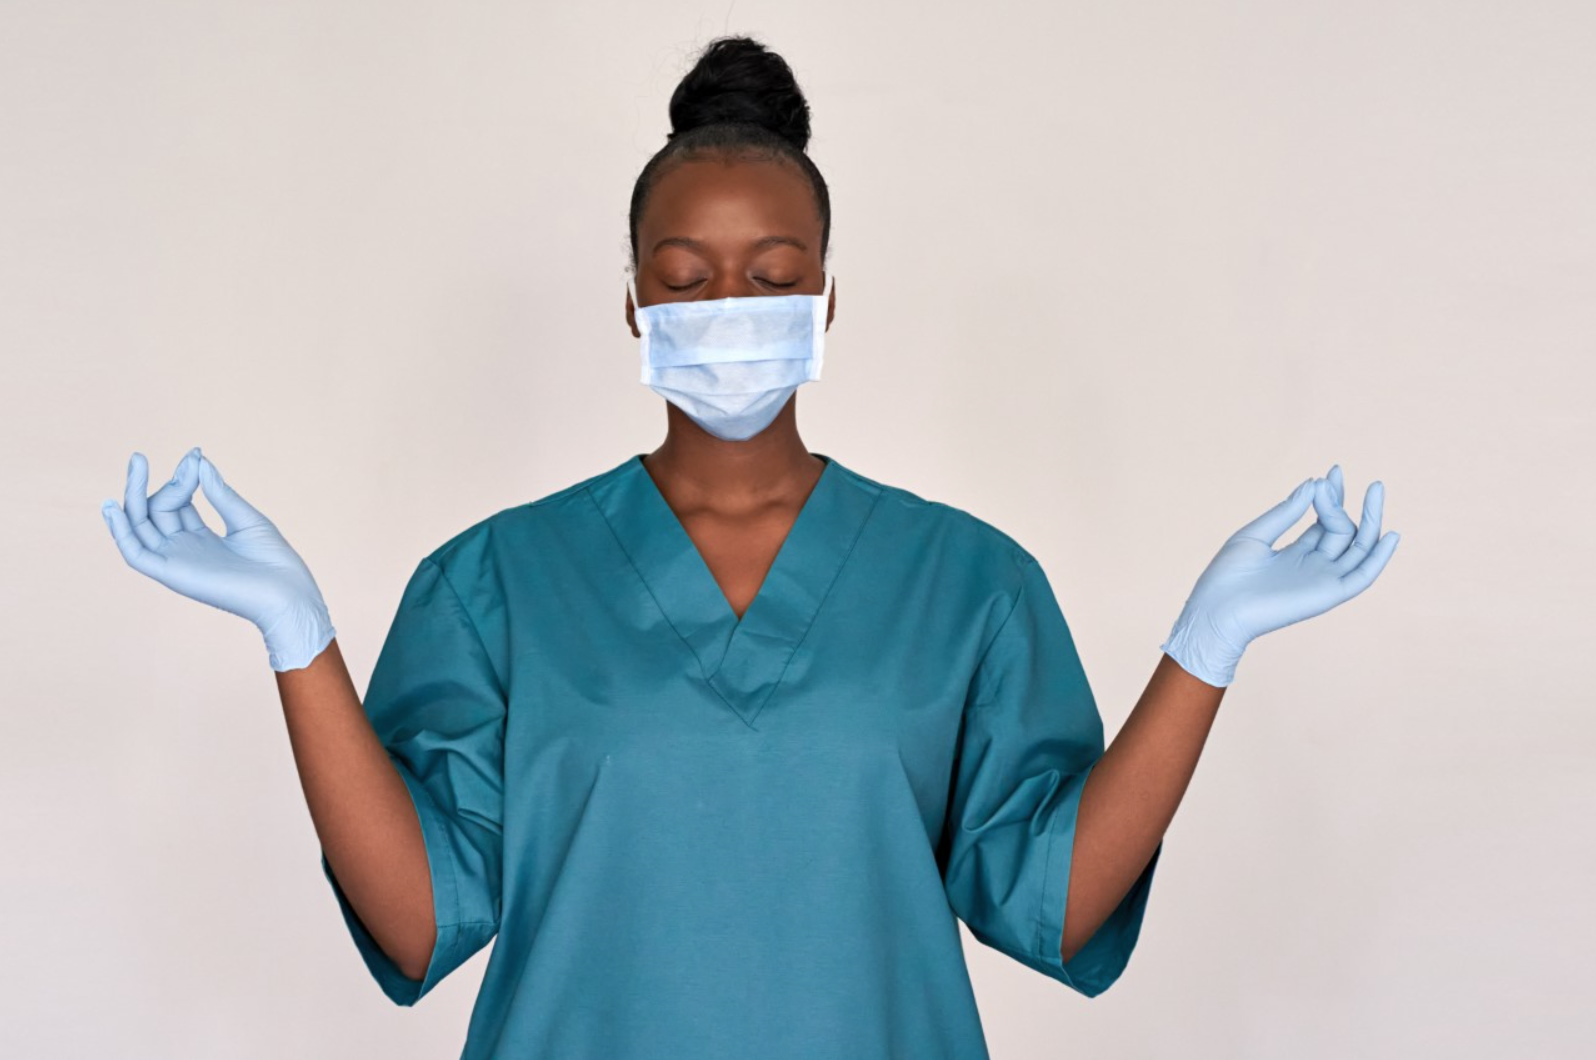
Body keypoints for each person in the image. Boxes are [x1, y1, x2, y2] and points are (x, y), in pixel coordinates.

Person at [98, 34, 1401, 1060]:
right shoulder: (495, 582)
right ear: (632, 303)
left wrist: (1207, 647)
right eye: (686, 273)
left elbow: (1053, 905)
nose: (733, 304)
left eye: (774, 270)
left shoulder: (967, 582)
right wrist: (296, 635)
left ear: (829, 296)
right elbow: (419, 916)